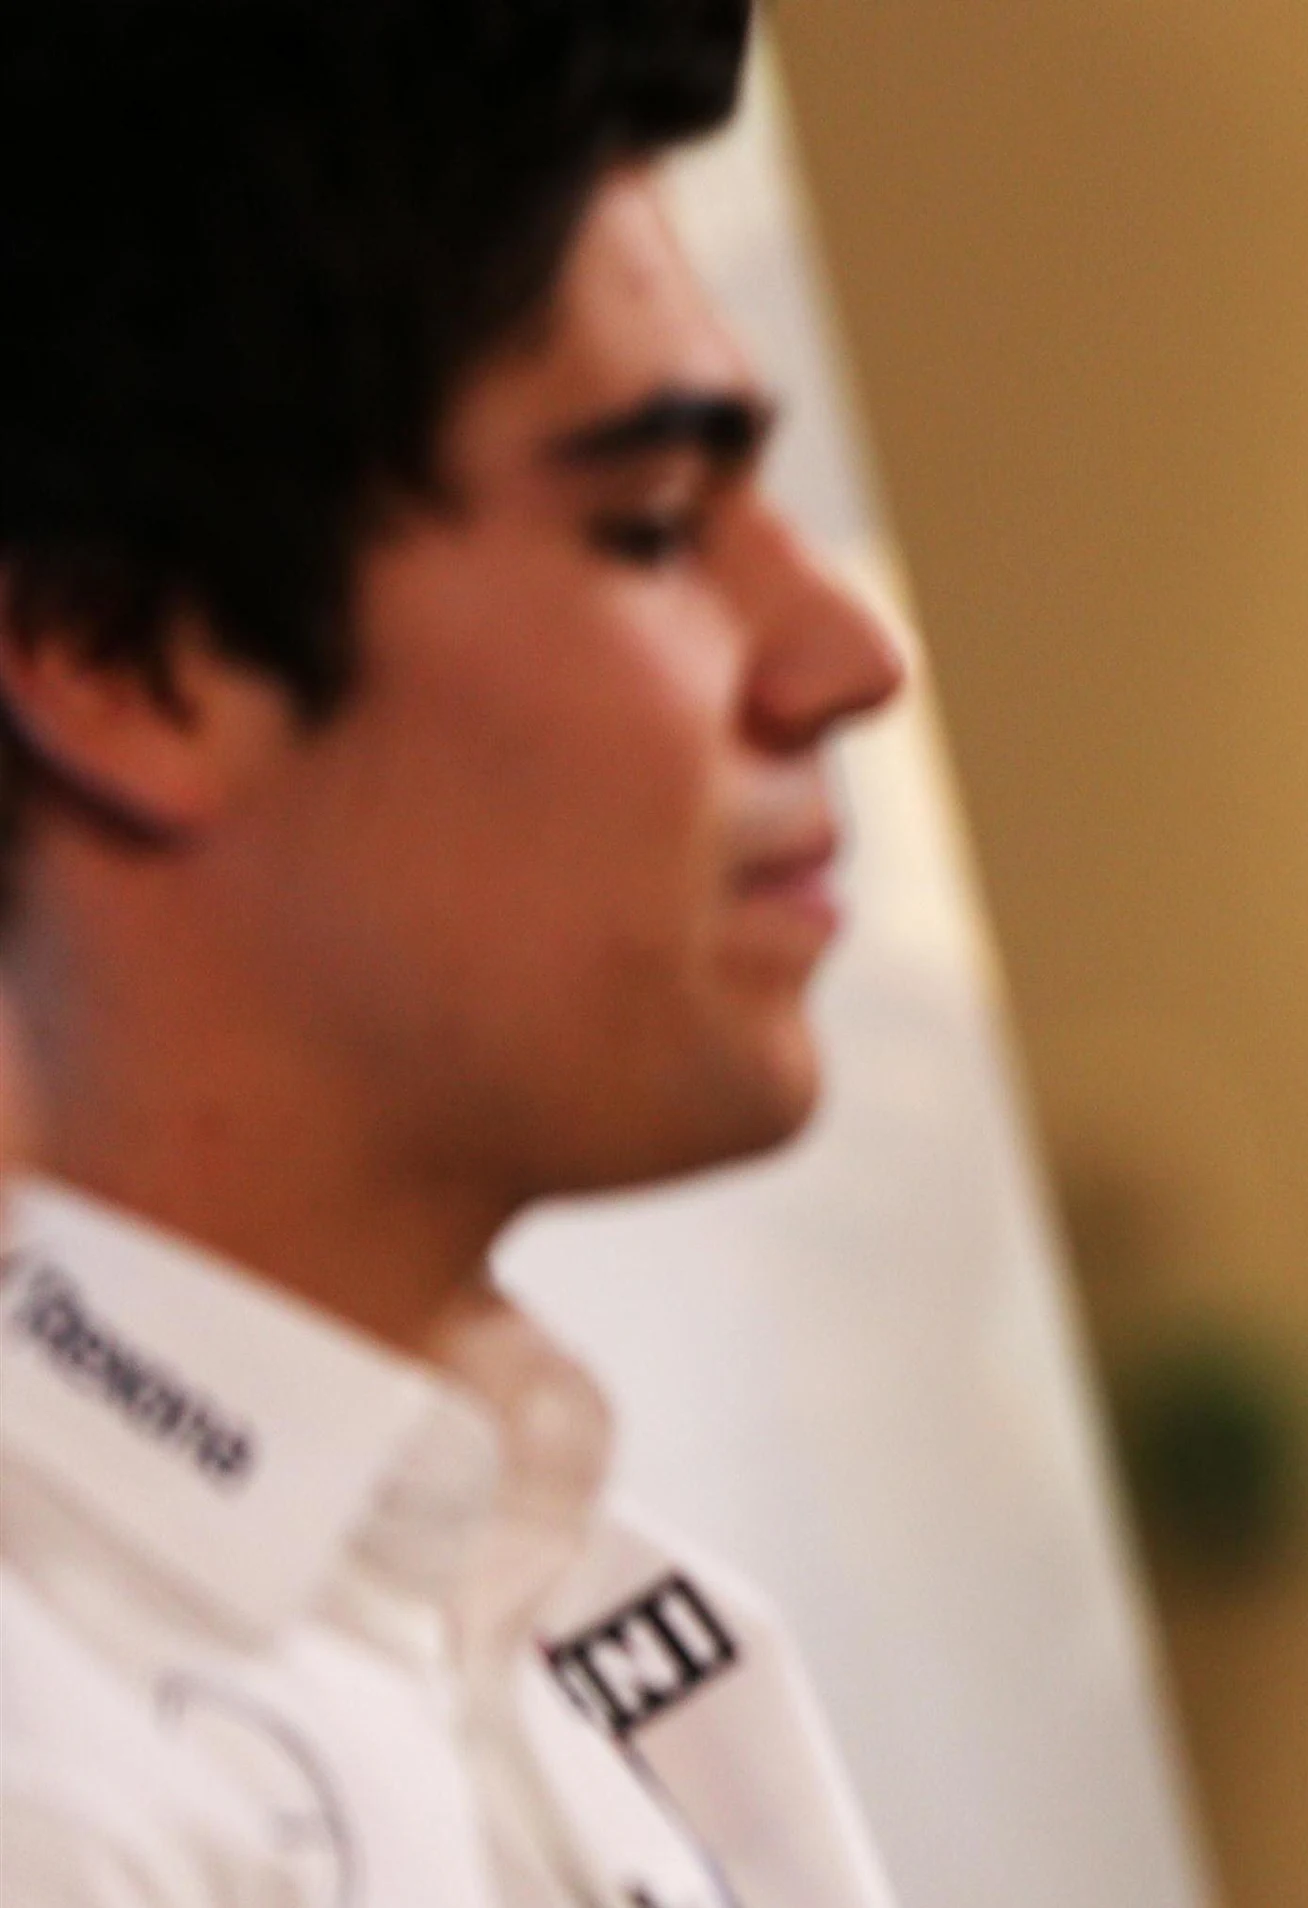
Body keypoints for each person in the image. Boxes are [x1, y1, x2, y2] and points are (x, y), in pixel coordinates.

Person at [0, 3, 912, 1902]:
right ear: (130, 659)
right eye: (654, 522)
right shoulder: (56, 1786)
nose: (842, 649)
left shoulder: (627, 1634)